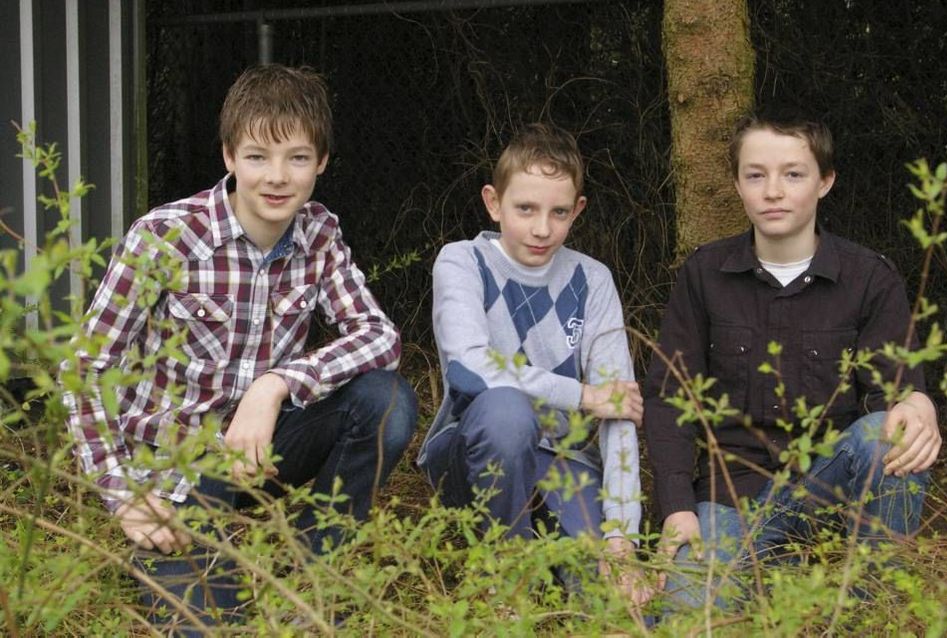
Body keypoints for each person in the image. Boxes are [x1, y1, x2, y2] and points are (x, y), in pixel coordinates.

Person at [64, 64, 417, 631]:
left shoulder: (319, 234)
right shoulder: (165, 237)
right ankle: (180, 557)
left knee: (388, 402)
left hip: (265, 447)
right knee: (211, 627)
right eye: (258, 156)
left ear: (321, 161)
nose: (277, 177)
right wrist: (122, 493)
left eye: (298, 158)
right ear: (229, 156)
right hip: (178, 467)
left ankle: (313, 564)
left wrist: (275, 385)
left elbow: (379, 337)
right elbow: (85, 366)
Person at [643, 107, 942, 609]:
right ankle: (762, 570)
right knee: (689, 617)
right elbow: (671, 397)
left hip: (830, 492)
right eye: (755, 175)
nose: (773, 191)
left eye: (793, 175)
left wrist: (918, 402)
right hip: (732, 495)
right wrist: (677, 508)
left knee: (890, 431)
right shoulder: (705, 274)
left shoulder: (869, 277)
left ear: (825, 182)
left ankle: (869, 610)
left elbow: (893, 389)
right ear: (737, 185)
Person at [417, 123, 649, 605]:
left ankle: (572, 564)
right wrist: (583, 396)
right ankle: (511, 583)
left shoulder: (593, 280)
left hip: (563, 461)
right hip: (474, 451)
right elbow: (470, 369)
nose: (542, 228)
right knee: (506, 410)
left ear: (577, 210)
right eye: (525, 208)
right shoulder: (462, 262)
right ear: (493, 202)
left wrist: (620, 535)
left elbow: (620, 408)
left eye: (559, 212)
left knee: (614, 599)